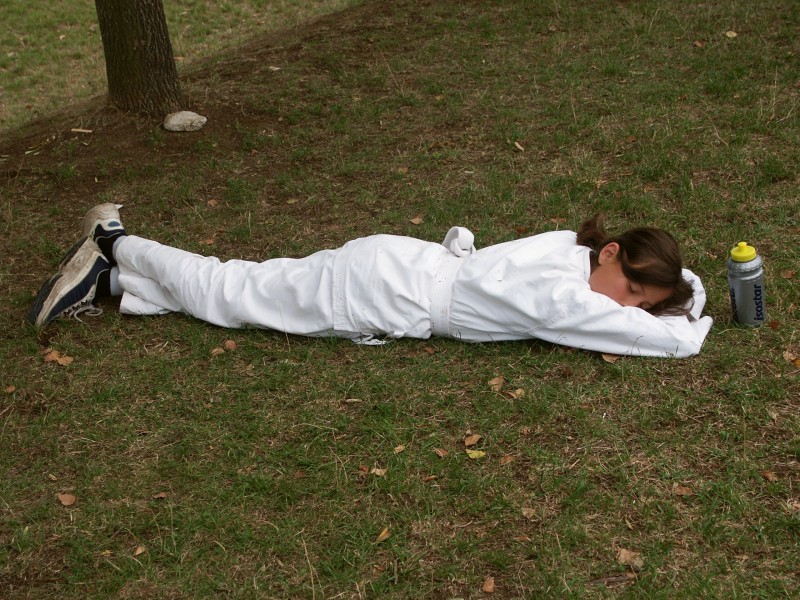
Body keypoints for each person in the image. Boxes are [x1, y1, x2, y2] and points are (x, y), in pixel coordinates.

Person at [28, 204, 713, 357]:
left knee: (246, 289)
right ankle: (114, 240)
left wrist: (678, 291)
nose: (629, 307)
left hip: (395, 267)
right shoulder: (564, 297)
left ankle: (112, 283)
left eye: (641, 302)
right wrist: (682, 315)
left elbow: (668, 290)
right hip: (379, 291)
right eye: (632, 291)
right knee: (231, 292)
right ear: (611, 254)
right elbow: (671, 343)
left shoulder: (570, 249)